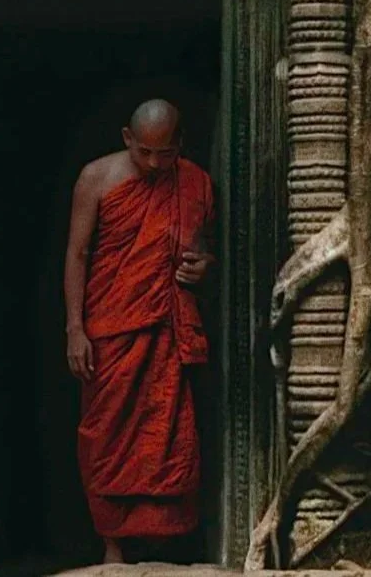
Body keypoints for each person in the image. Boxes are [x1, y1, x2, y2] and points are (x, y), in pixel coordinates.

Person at [63, 98, 216, 564]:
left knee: (164, 436)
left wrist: (203, 266)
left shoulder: (194, 182)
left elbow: (200, 247)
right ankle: (113, 544)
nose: (154, 163)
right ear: (128, 139)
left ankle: (161, 544)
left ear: (180, 146)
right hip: (110, 328)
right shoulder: (96, 178)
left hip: (164, 330)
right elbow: (78, 255)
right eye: (144, 152)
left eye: (165, 153)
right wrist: (75, 328)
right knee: (106, 435)